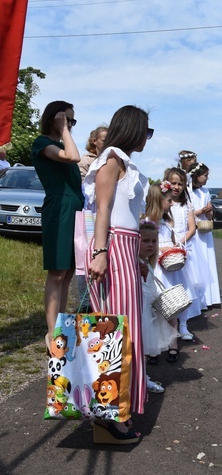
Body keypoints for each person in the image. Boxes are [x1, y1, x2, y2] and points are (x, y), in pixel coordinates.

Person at [84, 105, 151, 444]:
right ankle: (108, 416)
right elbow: (104, 208)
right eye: (146, 131)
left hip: (124, 247)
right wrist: (100, 252)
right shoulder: (110, 159)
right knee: (113, 330)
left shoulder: (120, 161)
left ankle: (114, 412)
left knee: (121, 328)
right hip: (110, 246)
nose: (147, 138)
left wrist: (136, 253)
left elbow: (127, 214)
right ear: (133, 130)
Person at [31, 101, 83, 347]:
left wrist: (65, 133)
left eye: (73, 121)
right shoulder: (43, 143)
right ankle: (52, 332)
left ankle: (61, 323)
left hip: (75, 209)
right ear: (55, 117)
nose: (71, 124)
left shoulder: (62, 143)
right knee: (57, 271)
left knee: (69, 271)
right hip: (59, 208)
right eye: (67, 119)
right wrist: (64, 129)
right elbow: (74, 157)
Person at [145, 181, 199, 360]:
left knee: (172, 306)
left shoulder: (168, 221)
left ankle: (173, 342)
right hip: (157, 267)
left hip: (171, 266)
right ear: (158, 200)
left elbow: (173, 238)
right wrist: (163, 250)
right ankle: (154, 346)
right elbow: (149, 245)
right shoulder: (148, 222)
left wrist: (177, 248)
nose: (172, 203)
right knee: (156, 307)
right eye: (168, 200)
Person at [137, 219, 178, 392]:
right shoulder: (135, 263)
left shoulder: (147, 263)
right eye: (145, 241)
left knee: (142, 350)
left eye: (154, 241)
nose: (151, 245)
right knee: (137, 347)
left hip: (148, 311)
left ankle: (142, 378)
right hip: (139, 311)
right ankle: (138, 379)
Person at [163, 167, 204, 335]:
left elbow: (192, 228)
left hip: (182, 247)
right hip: (166, 247)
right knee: (168, 287)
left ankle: (183, 324)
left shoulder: (186, 204)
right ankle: (167, 325)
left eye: (180, 184)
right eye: (173, 183)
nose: (177, 187)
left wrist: (179, 243)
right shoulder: (163, 202)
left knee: (186, 286)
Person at [75, 126, 108, 313]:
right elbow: (83, 186)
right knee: (86, 253)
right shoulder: (85, 161)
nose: (106, 142)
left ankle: (103, 296)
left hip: (104, 212)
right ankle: (86, 300)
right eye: (104, 139)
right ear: (94, 140)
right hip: (89, 211)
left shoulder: (111, 159)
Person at [188, 162, 222, 308]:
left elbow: (209, 213)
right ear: (197, 176)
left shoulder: (205, 192)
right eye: (205, 175)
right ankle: (198, 299)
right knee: (196, 263)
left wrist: (209, 213)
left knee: (207, 261)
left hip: (205, 231)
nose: (207, 178)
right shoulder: (188, 192)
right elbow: (186, 213)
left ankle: (210, 297)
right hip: (193, 231)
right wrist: (200, 212)